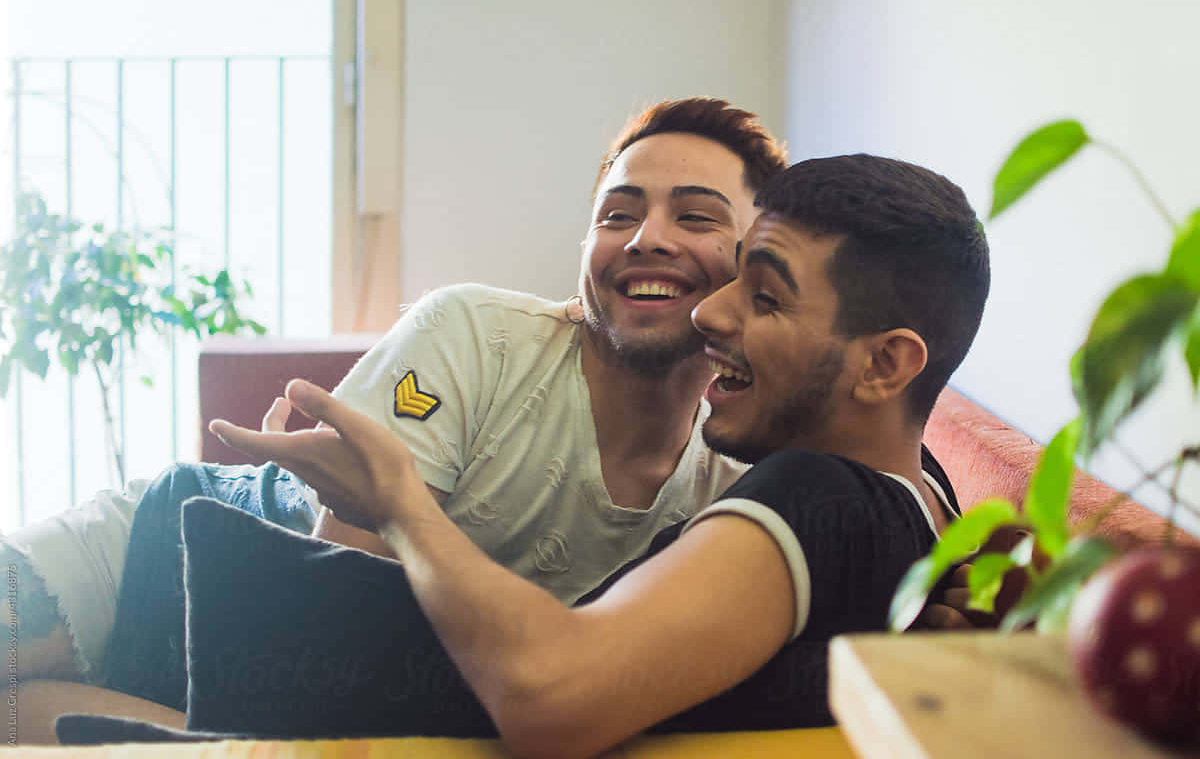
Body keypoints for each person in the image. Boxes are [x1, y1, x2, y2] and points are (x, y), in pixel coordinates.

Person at [6, 98, 790, 739]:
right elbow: (329, 627)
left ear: (761, 258)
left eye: (696, 218)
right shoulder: (476, 336)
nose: (647, 238)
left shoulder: (735, 477)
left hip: (265, 706)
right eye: (618, 215)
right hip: (173, 551)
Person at [186, 151, 988, 755]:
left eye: (766, 298)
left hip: (234, 646)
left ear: (887, 365)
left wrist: (399, 501)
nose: (710, 313)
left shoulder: (819, 495)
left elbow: (552, 695)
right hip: (209, 569)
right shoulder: (923, 508)